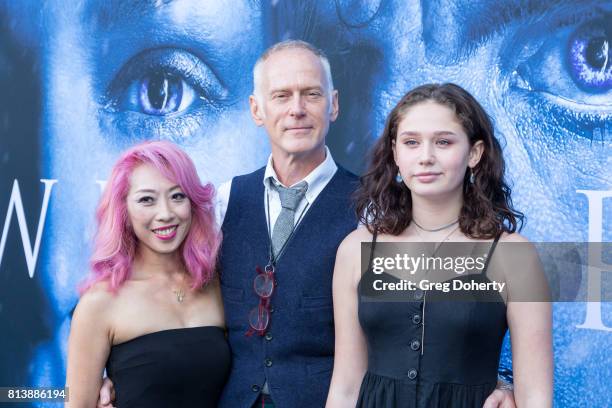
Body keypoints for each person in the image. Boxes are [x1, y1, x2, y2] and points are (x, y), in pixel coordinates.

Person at [98, 42, 518, 408]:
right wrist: (118, 372)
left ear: (333, 104)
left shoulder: (377, 210)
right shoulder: (222, 201)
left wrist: (500, 377)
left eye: (311, 94)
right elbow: (167, 291)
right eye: (281, 95)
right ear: (256, 110)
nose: (296, 109)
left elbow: (443, 306)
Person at [326, 83, 553, 407]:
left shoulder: (514, 256)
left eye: (443, 142)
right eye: (411, 142)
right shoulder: (356, 249)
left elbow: (536, 399)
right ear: (395, 152)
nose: (426, 157)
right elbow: (346, 386)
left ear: (474, 153)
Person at [65, 141, 228, 407]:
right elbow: (75, 401)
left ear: (193, 204)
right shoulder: (100, 303)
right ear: (124, 211)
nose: (165, 214)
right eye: (146, 200)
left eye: (177, 196)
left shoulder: (218, 285)